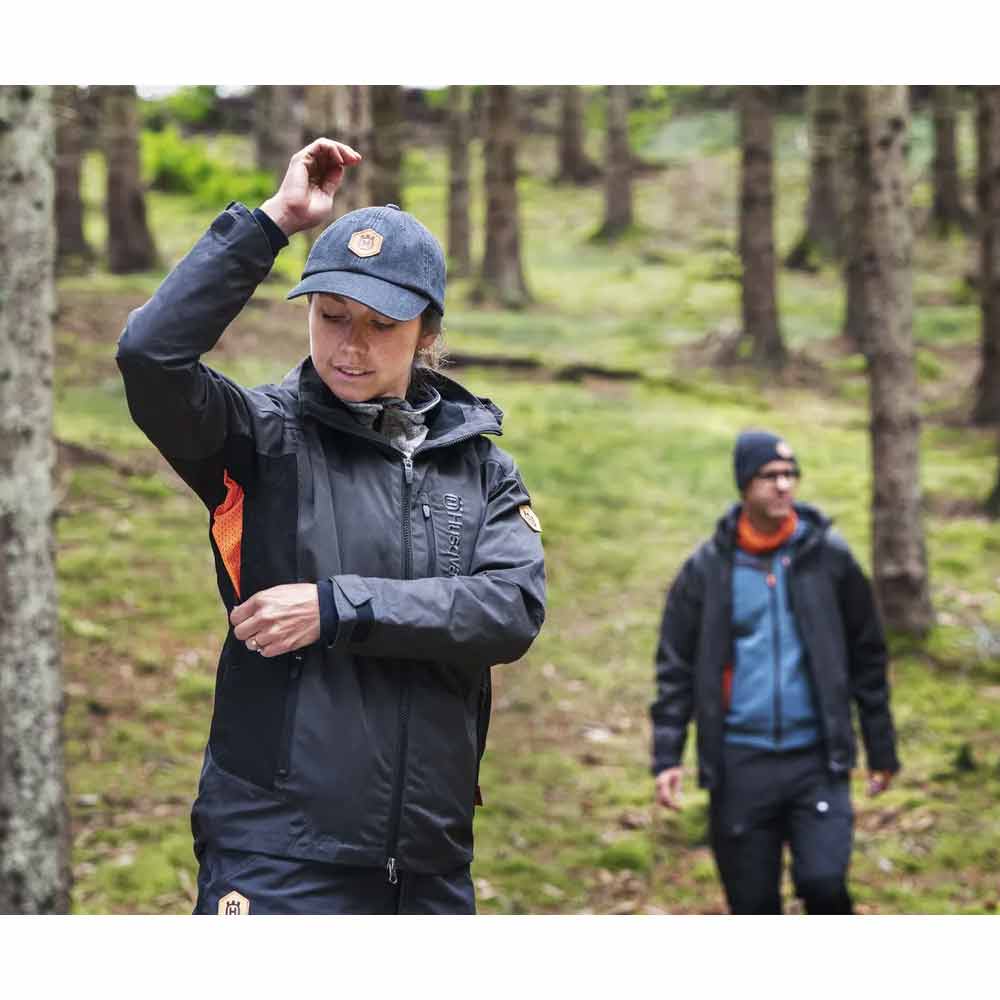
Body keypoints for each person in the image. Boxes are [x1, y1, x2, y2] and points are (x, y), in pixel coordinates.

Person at [116, 138, 546, 915]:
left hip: (429, 862)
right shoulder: (257, 437)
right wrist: (273, 222)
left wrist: (335, 607)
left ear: (427, 333)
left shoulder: (482, 467)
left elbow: (509, 611)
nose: (351, 346)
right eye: (333, 315)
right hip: (275, 854)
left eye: (381, 324)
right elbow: (150, 357)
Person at [649, 430, 899, 914]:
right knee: (752, 905)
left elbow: (868, 657)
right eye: (770, 476)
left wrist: (880, 748)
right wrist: (667, 756)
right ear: (745, 484)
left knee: (825, 885)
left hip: (817, 758)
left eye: (790, 474)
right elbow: (675, 667)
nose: (784, 485)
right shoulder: (707, 569)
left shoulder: (830, 558)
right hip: (739, 762)